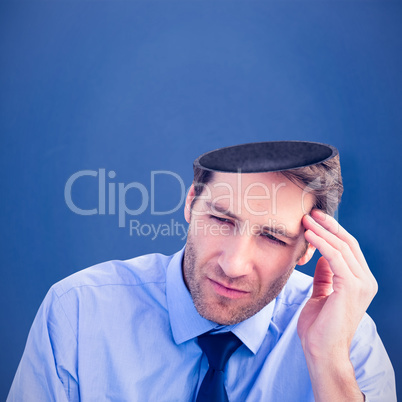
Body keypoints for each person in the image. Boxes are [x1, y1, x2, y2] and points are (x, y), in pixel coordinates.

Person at [8, 142, 396, 401]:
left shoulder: (347, 342)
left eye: (273, 238)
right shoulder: (77, 313)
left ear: (308, 247)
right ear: (192, 204)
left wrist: (328, 362)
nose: (233, 265)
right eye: (221, 220)